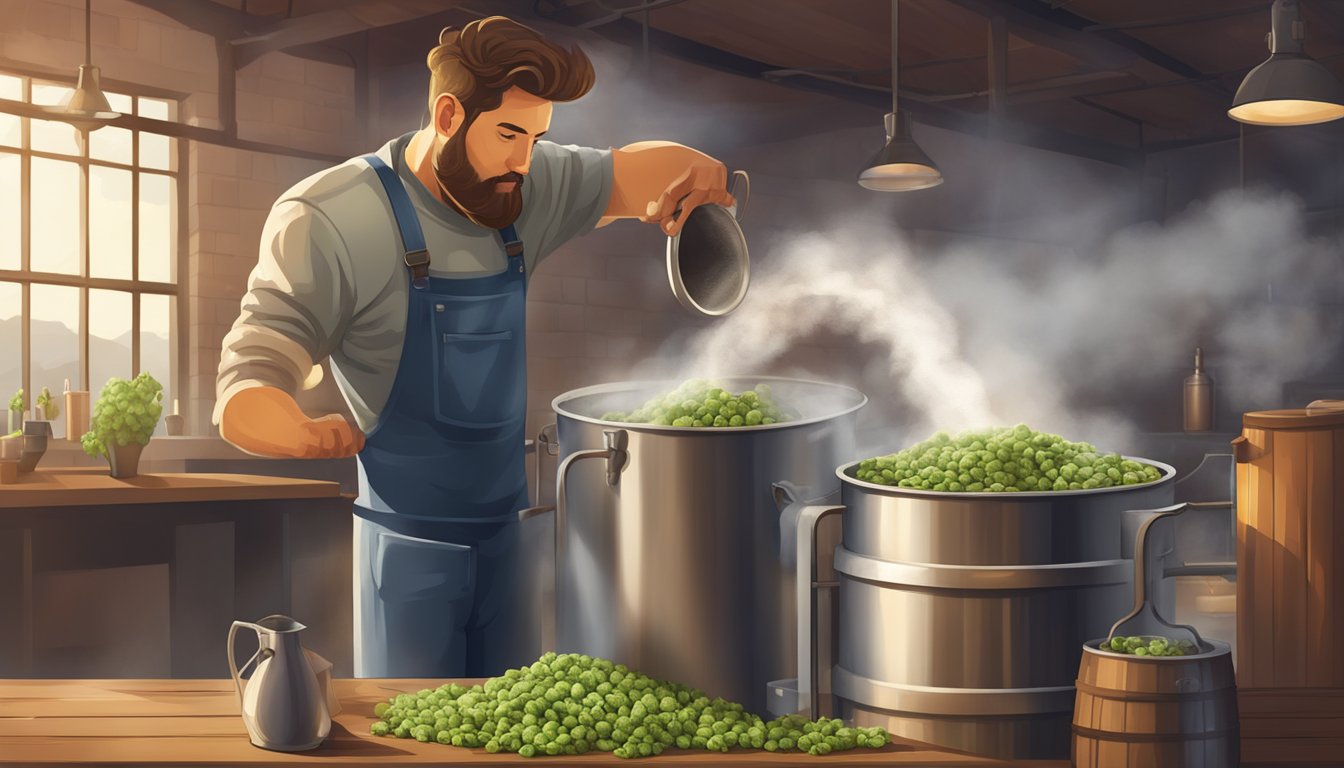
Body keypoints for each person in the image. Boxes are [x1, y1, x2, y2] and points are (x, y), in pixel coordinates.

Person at [213, 16, 733, 679]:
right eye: (510, 135)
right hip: (406, 555)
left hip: (511, 542)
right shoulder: (332, 216)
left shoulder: (521, 188)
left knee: (512, 730)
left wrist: (697, 172)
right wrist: (294, 429)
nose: (525, 160)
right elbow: (250, 377)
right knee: (414, 731)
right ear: (450, 114)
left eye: (538, 137)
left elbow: (630, 174)